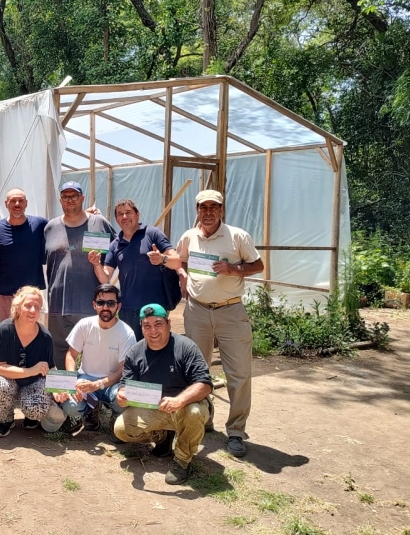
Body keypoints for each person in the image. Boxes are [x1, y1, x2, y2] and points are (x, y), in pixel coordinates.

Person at [176, 189, 264, 458]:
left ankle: (236, 431)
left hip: (230, 312)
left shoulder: (237, 236)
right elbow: (180, 260)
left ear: (222, 210)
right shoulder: (189, 236)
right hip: (197, 312)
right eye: (204, 207)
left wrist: (233, 269)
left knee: (238, 374)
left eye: (214, 207)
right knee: (196, 371)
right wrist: (183, 278)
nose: (209, 212)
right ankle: (204, 418)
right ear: (197, 210)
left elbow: (258, 265)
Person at [114, 304, 212, 485]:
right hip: (155, 408)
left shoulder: (186, 347)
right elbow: (125, 385)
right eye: (147, 325)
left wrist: (180, 400)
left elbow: (205, 385)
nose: (153, 331)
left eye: (158, 324)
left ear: (168, 323)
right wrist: (122, 394)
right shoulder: (135, 353)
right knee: (121, 429)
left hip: (185, 406)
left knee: (194, 413)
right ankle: (162, 436)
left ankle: (183, 460)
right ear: (141, 327)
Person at [45, 181, 116, 368]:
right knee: (59, 351)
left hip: (92, 303)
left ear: (82, 198)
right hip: (58, 304)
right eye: (66, 196)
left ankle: (91, 392)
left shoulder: (99, 223)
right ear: (60, 200)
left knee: (94, 351)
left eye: (74, 196)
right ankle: (62, 394)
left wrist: (106, 270)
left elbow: (119, 248)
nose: (70, 200)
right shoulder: (50, 227)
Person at [0, 287, 72, 437]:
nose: (33, 310)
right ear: (18, 307)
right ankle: (7, 419)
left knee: (36, 408)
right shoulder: (5, 330)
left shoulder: (45, 336)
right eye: (28, 305)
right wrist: (30, 370)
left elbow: (51, 366)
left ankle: (30, 415)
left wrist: (59, 388)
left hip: (33, 383)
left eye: (37, 307)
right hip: (8, 380)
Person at [92, 199, 182, 341]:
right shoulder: (115, 244)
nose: (125, 217)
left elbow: (177, 261)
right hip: (128, 309)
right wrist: (97, 264)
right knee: (131, 352)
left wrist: (162, 259)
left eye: (128, 213)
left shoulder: (152, 234)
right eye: (120, 214)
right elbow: (105, 278)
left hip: (155, 307)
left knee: (156, 347)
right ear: (116, 219)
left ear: (137, 214)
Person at [57, 284, 135, 432]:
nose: (105, 307)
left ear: (118, 306)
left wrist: (98, 384)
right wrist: (73, 381)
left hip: (112, 383)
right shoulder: (84, 325)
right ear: (94, 305)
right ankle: (90, 411)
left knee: (124, 399)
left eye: (111, 303)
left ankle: (116, 418)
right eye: (101, 303)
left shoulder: (127, 333)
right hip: (85, 378)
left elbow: (122, 371)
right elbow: (71, 355)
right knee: (71, 407)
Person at [0, 188, 48, 324]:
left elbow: (62, 227)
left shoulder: (40, 224)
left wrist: (88, 215)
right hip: (4, 292)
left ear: (26, 203)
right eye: (13, 201)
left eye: (21, 200)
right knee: (5, 330)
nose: (17, 204)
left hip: (31, 293)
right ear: (6, 203)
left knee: (30, 331)